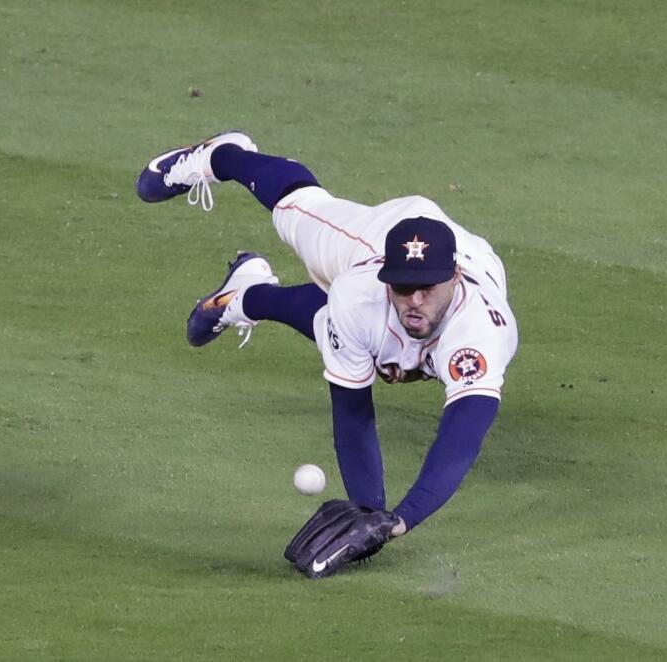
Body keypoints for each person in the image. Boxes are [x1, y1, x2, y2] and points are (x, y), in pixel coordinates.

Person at [136, 131, 519, 577]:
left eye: (426, 288)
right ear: (386, 279)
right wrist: (368, 507)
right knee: (297, 209)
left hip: (472, 262)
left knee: (386, 351)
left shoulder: (481, 334)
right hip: (368, 240)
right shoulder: (360, 292)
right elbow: (353, 411)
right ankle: (223, 156)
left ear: (452, 279)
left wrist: (396, 521)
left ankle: (247, 293)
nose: (414, 300)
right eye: (403, 287)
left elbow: (462, 437)